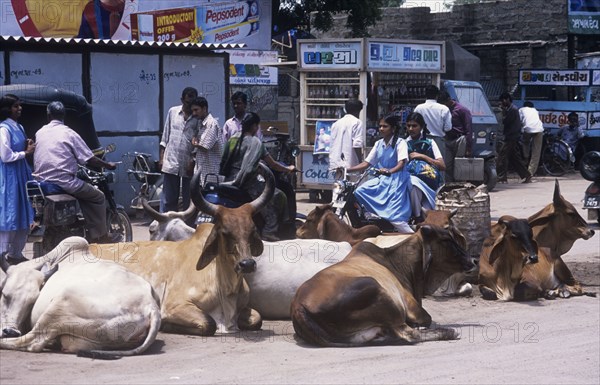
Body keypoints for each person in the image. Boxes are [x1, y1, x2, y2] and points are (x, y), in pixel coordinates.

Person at [33, 101, 117, 243]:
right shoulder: (69, 133)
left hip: (41, 182)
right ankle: (100, 234)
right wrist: (107, 165)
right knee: (98, 197)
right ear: (63, 116)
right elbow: (89, 159)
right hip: (64, 182)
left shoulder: (39, 132)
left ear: (48, 116)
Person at [220, 112, 296, 241]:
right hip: (248, 184)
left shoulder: (232, 140)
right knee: (278, 195)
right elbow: (273, 165)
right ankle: (269, 231)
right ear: (255, 126)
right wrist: (288, 169)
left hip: (228, 181)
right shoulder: (256, 143)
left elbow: (224, 161)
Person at [346, 114, 413, 233]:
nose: (381, 129)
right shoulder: (378, 143)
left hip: (398, 179)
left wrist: (389, 171)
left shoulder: (400, 143)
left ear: (393, 128)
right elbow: (366, 163)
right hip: (384, 178)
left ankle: (411, 235)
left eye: (385, 126)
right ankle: (370, 218)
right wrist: (346, 169)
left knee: (395, 216)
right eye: (380, 126)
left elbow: (401, 163)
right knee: (359, 191)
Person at [0, 95, 36, 264]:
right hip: (9, 175)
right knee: (10, 212)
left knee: (22, 211)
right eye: (15, 106)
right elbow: (6, 156)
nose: (19, 109)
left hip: (21, 173)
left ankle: (16, 253)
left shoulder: (19, 127)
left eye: (19, 106)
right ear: (7, 109)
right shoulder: (3, 129)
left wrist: (26, 145)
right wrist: (26, 153)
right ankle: (3, 253)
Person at [160, 87, 198, 213]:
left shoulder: (197, 119)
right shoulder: (172, 112)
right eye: (187, 103)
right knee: (168, 200)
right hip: (171, 162)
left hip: (188, 164)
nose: (190, 106)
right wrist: (161, 158)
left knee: (189, 200)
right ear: (182, 100)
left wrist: (192, 161)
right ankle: (165, 226)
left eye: (193, 103)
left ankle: (186, 228)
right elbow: (165, 137)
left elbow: (198, 143)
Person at [404, 112, 446, 224]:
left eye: (414, 126)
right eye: (408, 126)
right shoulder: (403, 144)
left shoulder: (430, 143)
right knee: (413, 184)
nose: (411, 129)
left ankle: (418, 217)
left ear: (421, 127)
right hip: (409, 184)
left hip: (430, 183)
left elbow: (442, 166)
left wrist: (421, 156)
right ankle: (418, 218)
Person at [497, 92, 532, 184]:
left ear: (507, 99)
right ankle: (526, 175)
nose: (503, 102)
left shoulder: (512, 110)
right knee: (514, 158)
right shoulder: (512, 109)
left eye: (503, 100)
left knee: (502, 157)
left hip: (511, 137)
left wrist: (503, 111)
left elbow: (506, 121)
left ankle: (502, 177)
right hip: (512, 136)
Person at [437, 90, 472, 182]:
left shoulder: (462, 110)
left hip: (460, 139)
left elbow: (468, 129)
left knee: (459, 163)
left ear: (449, 100)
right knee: (447, 164)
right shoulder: (443, 110)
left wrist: (468, 147)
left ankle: (460, 184)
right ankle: (449, 184)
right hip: (448, 139)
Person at [413, 85, 452, 162]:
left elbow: (414, 123)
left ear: (425, 95)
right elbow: (448, 128)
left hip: (422, 140)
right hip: (439, 141)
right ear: (437, 95)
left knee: (422, 165)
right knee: (439, 165)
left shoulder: (419, 108)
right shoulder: (444, 109)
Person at [191, 96, 223, 187]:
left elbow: (205, 146)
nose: (194, 113)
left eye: (196, 110)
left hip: (211, 174)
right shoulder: (201, 124)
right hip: (203, 173)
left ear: (204, 109)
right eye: (193, 110)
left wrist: (194, 142)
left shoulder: (211, 123)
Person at [329, 99, 364, 179]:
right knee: (352, 188)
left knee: (338, 188)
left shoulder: (336, 124)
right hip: (351, 165)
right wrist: (360, 163)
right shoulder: (357, 122)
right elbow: (357, 145)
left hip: (336, 164)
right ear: (357, 111)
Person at [519, 101, 545, 176]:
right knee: (536, 152)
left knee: (525, 142)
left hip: (528, 129)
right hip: (539, 129)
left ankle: (526, 157)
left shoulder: (521, 109)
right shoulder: (535, 110)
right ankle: (530, 172)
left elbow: (520, 121)